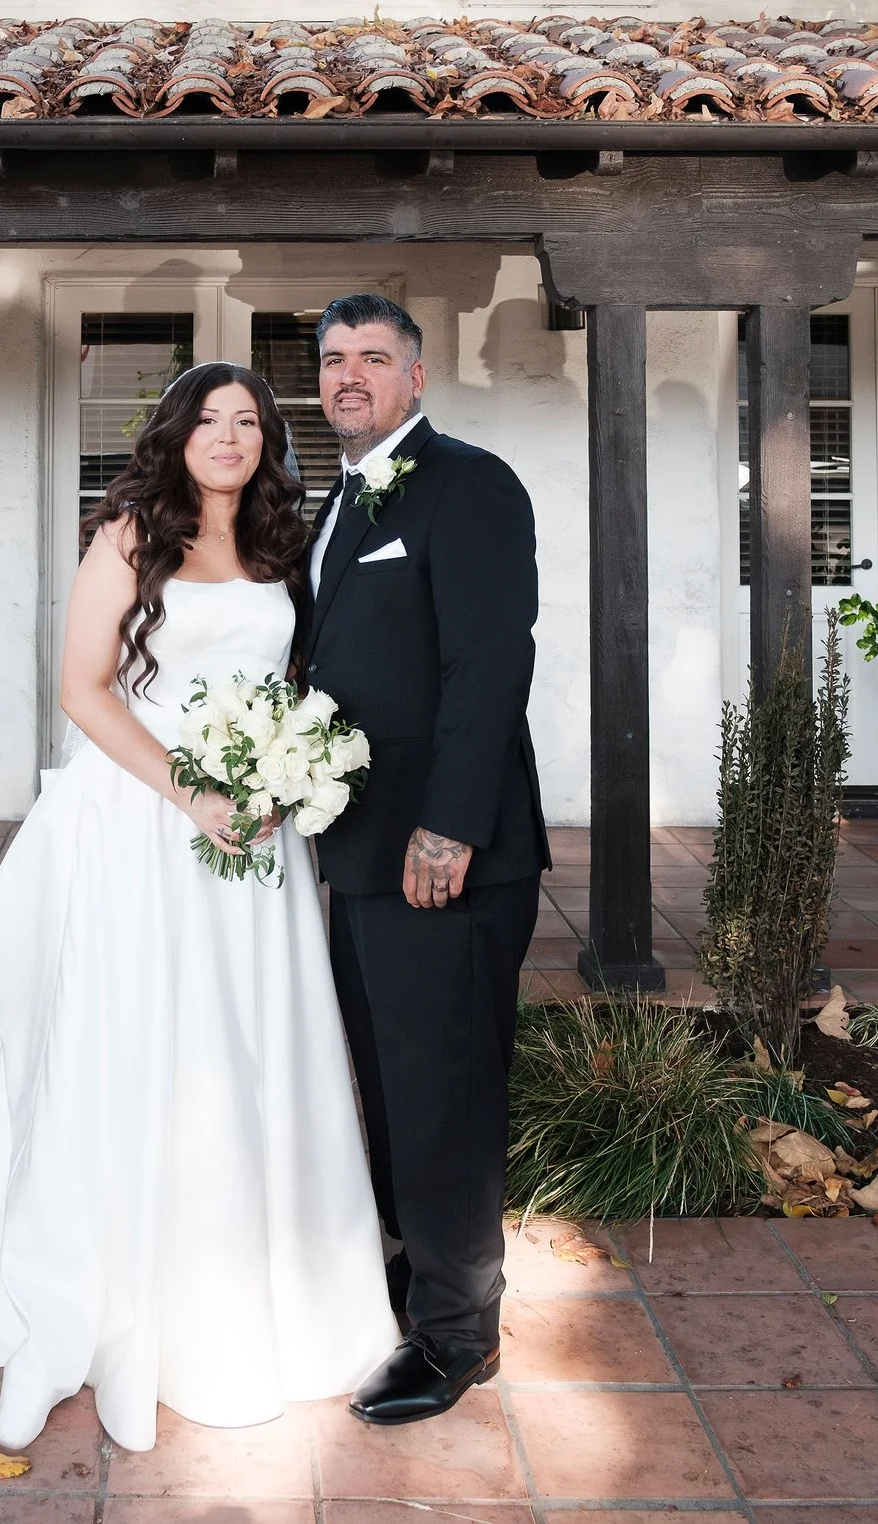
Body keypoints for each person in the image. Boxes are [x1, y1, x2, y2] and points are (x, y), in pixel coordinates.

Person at [0, 360, 396, 1454]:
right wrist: (194, 791)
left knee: (251, 1050)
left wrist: (283, 774)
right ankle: (104, 1291)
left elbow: (292, 681)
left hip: (250, 842)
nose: (229, 435)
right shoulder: (129, 531)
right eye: (208, 418)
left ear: (269, 440)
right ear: (173, 433)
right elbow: (81, 687)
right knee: (133, 1047)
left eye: (248, 420)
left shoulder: (276, 544)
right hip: (146, 824)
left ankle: (264, 1296)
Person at [300, 293, 549, 1425]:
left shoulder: (470, 484)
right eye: (332, 360)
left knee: (443, 1090)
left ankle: (457, 1334)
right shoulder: (335, 502)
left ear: (417, 375)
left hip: (440, 853)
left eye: (372, 357)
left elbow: (490, 662)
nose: (349, 375)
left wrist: (448, 823)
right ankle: (417, 1280)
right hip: (355, 852)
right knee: (394, 1086)